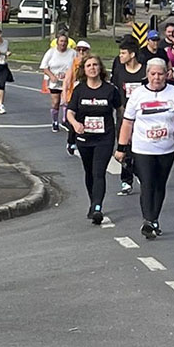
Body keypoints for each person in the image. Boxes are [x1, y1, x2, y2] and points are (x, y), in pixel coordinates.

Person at [115, 58, 174, 239]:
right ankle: (148, 220)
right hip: (143, 149)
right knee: (147, 184)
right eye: (153, 74)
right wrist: (121, 147)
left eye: (160, 74)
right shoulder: (138, 94)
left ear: (166, 75)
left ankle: (154, 218)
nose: (156, 78)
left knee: (159, 184)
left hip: (166, 148)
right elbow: (127, 122)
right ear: (147, 74)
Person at [67, 55, 121, 226]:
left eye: (95, 65)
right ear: (84, 69)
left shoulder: (110, 90)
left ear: (100, 68)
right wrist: (75, 124)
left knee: (99, 171)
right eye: (89, 65)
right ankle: (92, 202)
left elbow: (120, 111)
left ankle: (98, 207)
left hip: (105, 137)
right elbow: (70, 112)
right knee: (89, 172)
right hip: (85, 138)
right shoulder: (79, 90)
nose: (92, 68)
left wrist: (123, 132)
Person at [110, 39, 146, 196]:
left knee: (139, 150)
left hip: (143, 117)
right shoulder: (119, 72)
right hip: (124, 117)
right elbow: (115, 92)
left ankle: (141, 173)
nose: (120, 56)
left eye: (123, 53)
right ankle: (126, 180)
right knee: (123, 149)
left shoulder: (145, 71)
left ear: (132, 54)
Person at [39, 33, 75, 132]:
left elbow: (76, 65)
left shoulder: (72, 53)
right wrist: (51, 76)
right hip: (55, 82)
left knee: (66, 101)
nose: (63, 43)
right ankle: (55, 121)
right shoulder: (51, 52)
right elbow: (44, 67)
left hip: (67, 81)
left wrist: (70, 75)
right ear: (57, 42)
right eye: (61, 41)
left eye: (65, 42)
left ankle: (65, 120)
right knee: (56, 103)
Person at [62, 40, 92, 154]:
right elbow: (67, 80)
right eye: (78, 50)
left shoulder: (92, 63)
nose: (81, 52)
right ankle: (71, 141)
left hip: (88, 94)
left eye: (84, 50)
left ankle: (84, 140)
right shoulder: (73, 63)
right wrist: (64, 95)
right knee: (73, 119)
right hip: (74, 95)